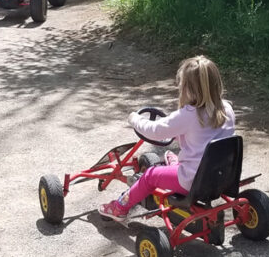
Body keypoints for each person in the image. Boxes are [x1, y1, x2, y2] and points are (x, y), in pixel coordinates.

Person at [99, 56, 235, 225]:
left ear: (189, 88)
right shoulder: (226, 109)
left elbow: (155, 131)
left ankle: (119, 208)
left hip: (192, 180)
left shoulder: (189, 114)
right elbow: (202, 139)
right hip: (221, 176)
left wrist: (135, 119)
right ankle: (175, 163)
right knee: (172, 155)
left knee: (149, 175)